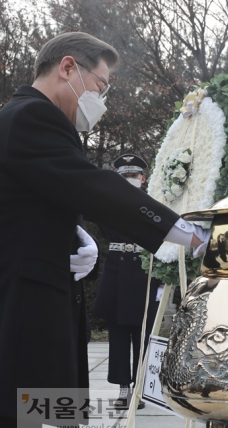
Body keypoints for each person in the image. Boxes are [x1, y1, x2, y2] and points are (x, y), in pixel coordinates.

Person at [0, 32, 209, 428]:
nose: (102, 98)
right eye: (102, 85)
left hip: (19, 309)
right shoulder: (31, 118)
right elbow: (92, 186)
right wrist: (182, 230)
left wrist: (79, 241)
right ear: (68, 68)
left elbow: (37, 203)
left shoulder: (29, 118)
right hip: (13, 313)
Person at [92, 154, 163, 410]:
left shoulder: (156, 203)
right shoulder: (108, 205)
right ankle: (123, 388)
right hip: (117, 274)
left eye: (134, 176)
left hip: (145, 273)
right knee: (119, 336)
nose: (131, 180)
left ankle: (142, 389)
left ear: (143, 179)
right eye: (125, 177)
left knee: (144, 336)